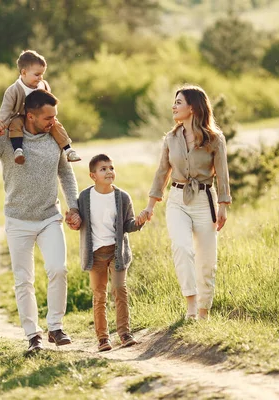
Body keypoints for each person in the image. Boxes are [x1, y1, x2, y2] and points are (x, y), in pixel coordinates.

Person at [0, 89, 81, 354]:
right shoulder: (8, 139)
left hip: (49, 216)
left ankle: (55, 326)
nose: (53, 121)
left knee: (58, 269)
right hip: (18, 220)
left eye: (55, 116)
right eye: (47, 117)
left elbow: (66, 174)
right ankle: (33, 336)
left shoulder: (54, 137)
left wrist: (73, 207)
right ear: (30, 116)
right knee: (23, 280)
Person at [136, 85, 231, 321]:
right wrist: (150, 205)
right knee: (182, 247)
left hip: (204, 200)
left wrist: (223, 205)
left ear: (192, 107)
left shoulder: (214, 139)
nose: (174, 106)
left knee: (207, 260)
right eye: (174, 102)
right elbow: (162, 172)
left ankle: (203, 312)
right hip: (177, 200)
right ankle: (190, 304)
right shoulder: (171, 138)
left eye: (178, 102)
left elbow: (222, 174)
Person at [76, 154, 144, 352]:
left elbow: (127, 225)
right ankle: (103, 338)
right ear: (93, 175)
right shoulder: (85, 197)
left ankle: (124, 333)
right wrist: (72, 219)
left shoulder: (122, 197)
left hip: (117, 251)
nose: (109, 172)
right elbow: (79, 221)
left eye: (111, 168)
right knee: (99, 295)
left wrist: (138, 222)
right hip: (95, 253)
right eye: (103, 169)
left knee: (119, 290)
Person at [0, 49, 81, 165]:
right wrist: (0, 123)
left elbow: (49, 101)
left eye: (42, 74)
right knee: (15, 124)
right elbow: (5, 110)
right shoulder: (13, 90)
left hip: (40, 116)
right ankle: (18, 150)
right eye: (37, 74)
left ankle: (68, 150)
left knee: (55, 124)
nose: (40, 78)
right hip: (21, 116)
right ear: (23, 73)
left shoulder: (43, 85)